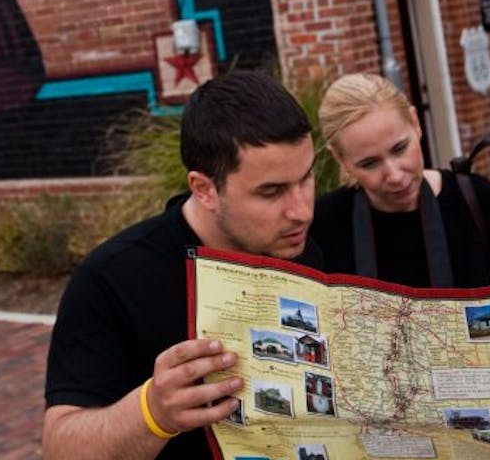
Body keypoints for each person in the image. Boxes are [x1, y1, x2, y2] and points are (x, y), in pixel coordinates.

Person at [42, 70, 320, 459]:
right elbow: (60, 448)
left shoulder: (311, 238)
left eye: (307, 178)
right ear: (204, 189)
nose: (301, 210)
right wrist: (151, 413)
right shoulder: (111, 278)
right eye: (271, 192)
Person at [310, 72, 490, 287]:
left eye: (400, 149)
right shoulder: (323, 223)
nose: (394, 176)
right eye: (369, 164)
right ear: (340, 158)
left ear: (415, 123)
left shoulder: (477, 199)